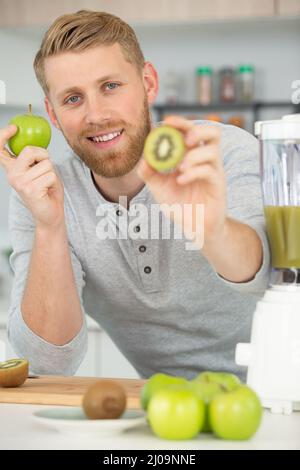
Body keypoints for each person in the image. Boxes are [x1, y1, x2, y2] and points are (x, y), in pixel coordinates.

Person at [0, 10, 270, 380]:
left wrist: (211, 228)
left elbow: (263, 274)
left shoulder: (221, 152)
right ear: (52, 113)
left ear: (148, 82)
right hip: (163, 407)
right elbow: (48, 364)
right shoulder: (43, 193)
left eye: (111, 86)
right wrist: (50, 226)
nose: (96, 115)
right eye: (73, 99)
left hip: (276, 392)